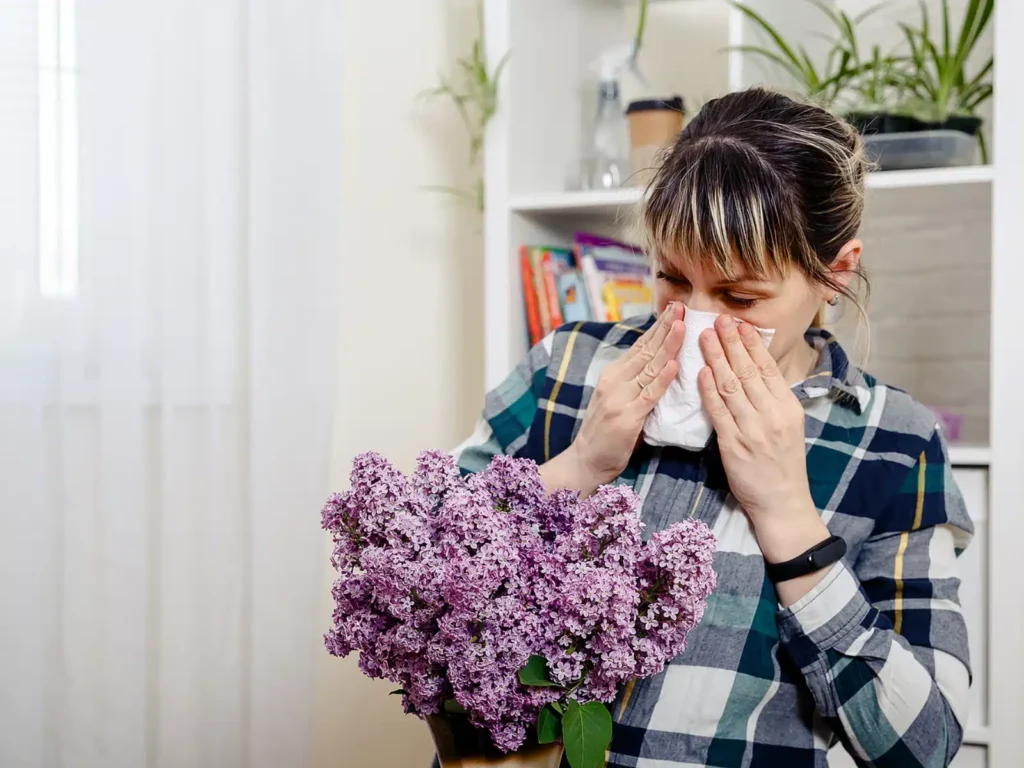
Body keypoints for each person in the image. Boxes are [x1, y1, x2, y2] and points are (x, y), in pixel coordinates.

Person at [454, 88, 972, 767]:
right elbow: (416, 568)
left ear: (834, 275)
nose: (695, 318)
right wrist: (578, 467)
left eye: (738, 296)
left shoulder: (895, 442)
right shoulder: (568, 369)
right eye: (670, 277)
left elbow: (924, 747)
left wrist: (789, 518)